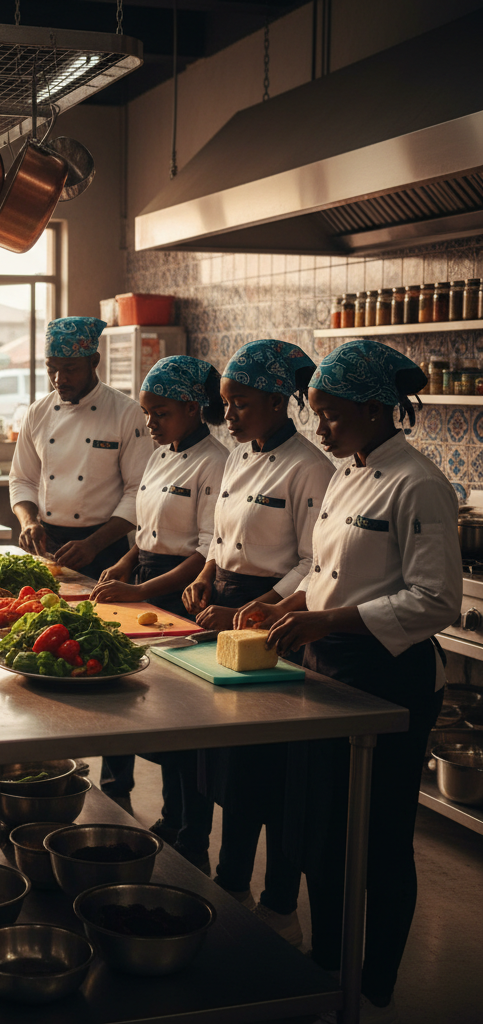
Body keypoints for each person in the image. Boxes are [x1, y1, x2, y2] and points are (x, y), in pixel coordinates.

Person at [240, 340, 460, 1024]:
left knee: (382, 835)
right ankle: (328, 957)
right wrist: (288, 605)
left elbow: (434, 601)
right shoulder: (346, 472)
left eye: (331, 416)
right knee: (321, 827)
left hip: (389, 677)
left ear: (376, 409)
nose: (321, 429)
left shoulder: (417, 483)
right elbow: (323, 569)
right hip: (326, 666)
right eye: (316, 413)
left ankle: (381, 976)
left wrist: (327, 618)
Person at [182, 339, 334, 926]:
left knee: (272, 771)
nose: (229, 416)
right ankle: (231, 880)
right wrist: (204, 575)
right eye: (225, 403)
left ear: (277, 401)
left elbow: (310, 560)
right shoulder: (240, 457)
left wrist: (262, 608)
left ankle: (277, 900)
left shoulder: (310, 468)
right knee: (231, 765)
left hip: (273, 616)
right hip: (223, 606)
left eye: (240, 403)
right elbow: (220, 540)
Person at [91, 356, 229, 830]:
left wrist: (143, 590)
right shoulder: (160, 451)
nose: (149, 422)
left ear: (192, 408)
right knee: (135, 705)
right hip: (146, 583)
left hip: (181, 595)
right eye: (147, 412)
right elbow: (146, 528)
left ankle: (185, 826)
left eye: (160, 412)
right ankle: (141, 806)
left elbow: (206, 549)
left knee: (182, 722)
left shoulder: (215, 462)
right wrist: (125, 563)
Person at [9, 316, 150, 578]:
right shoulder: (37, 413)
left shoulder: (126, 412)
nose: (59, 379)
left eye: (70, 369)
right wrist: (28, 522)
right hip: (47, 546)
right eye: (52, 369)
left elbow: (138, 491)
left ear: (94, 362)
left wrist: (93, 544)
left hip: (105, 547)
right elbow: (22, 479)